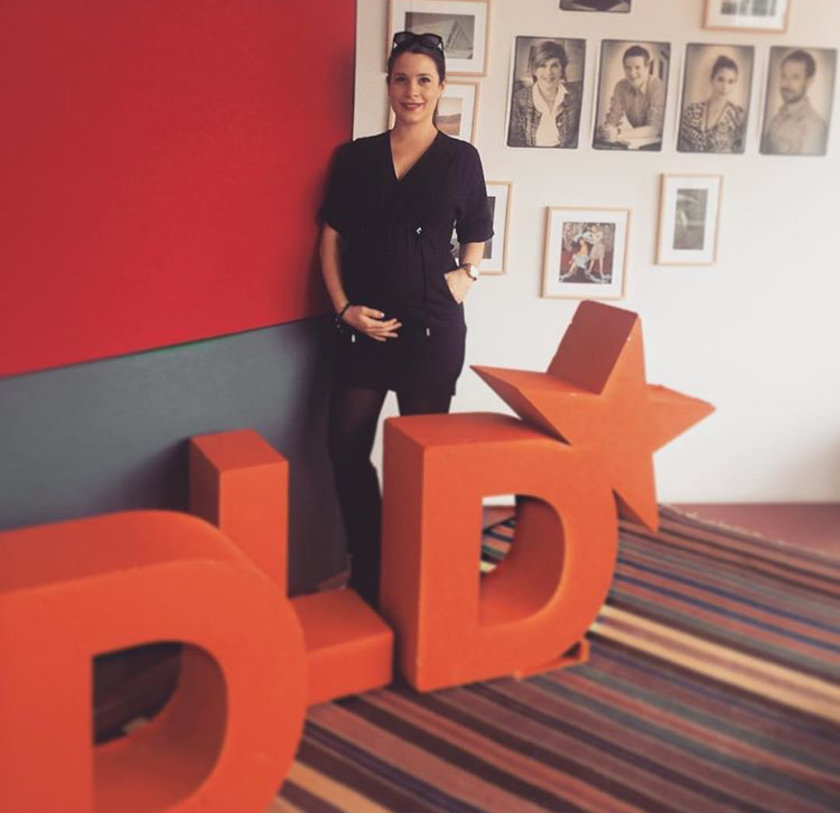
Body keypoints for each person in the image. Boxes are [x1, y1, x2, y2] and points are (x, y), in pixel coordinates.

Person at [318, 31, 493, 606]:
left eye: (423, 80)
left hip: (431, 331)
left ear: (441, 87)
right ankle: (369, 568)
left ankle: (418, 573)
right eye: (401, 79)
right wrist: (343, 309)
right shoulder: (355, 157)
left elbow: (477, 232)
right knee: (345, 450)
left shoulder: (461, 159)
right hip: (363, 330)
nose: (411, 91)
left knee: (422, 463)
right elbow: (330, 238)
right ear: (388, 84)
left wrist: (465, 277)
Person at [508, 40, 582, 148]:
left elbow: (578, 138)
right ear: (534, 70)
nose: (549, 72)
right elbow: (516, 142)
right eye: (542, 66)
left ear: (562, 69)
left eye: (554, 65)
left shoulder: (575, 96)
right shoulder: (519, 100)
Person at [762, 49, 828, 156]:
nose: (786, 84)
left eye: (795, 77)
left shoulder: (815, 126)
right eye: (784, 76)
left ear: (809, 81)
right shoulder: (776, 120)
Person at [597, 45, 665, 145]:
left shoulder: (657, 86)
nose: (632, 73)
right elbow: (613, 118)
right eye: (628, 68)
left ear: (647, 68)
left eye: (637, 67)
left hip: (661, 142)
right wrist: (607, 129)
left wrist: (618, 134)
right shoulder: (620, 86)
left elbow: (654, 129)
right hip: (638, 142)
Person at [679, 55, 747, 153]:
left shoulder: (738, 116)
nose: (725, 87)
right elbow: (682, 146)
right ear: (712, 79)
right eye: (720, 80)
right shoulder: (692, 111)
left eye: (730, 82)